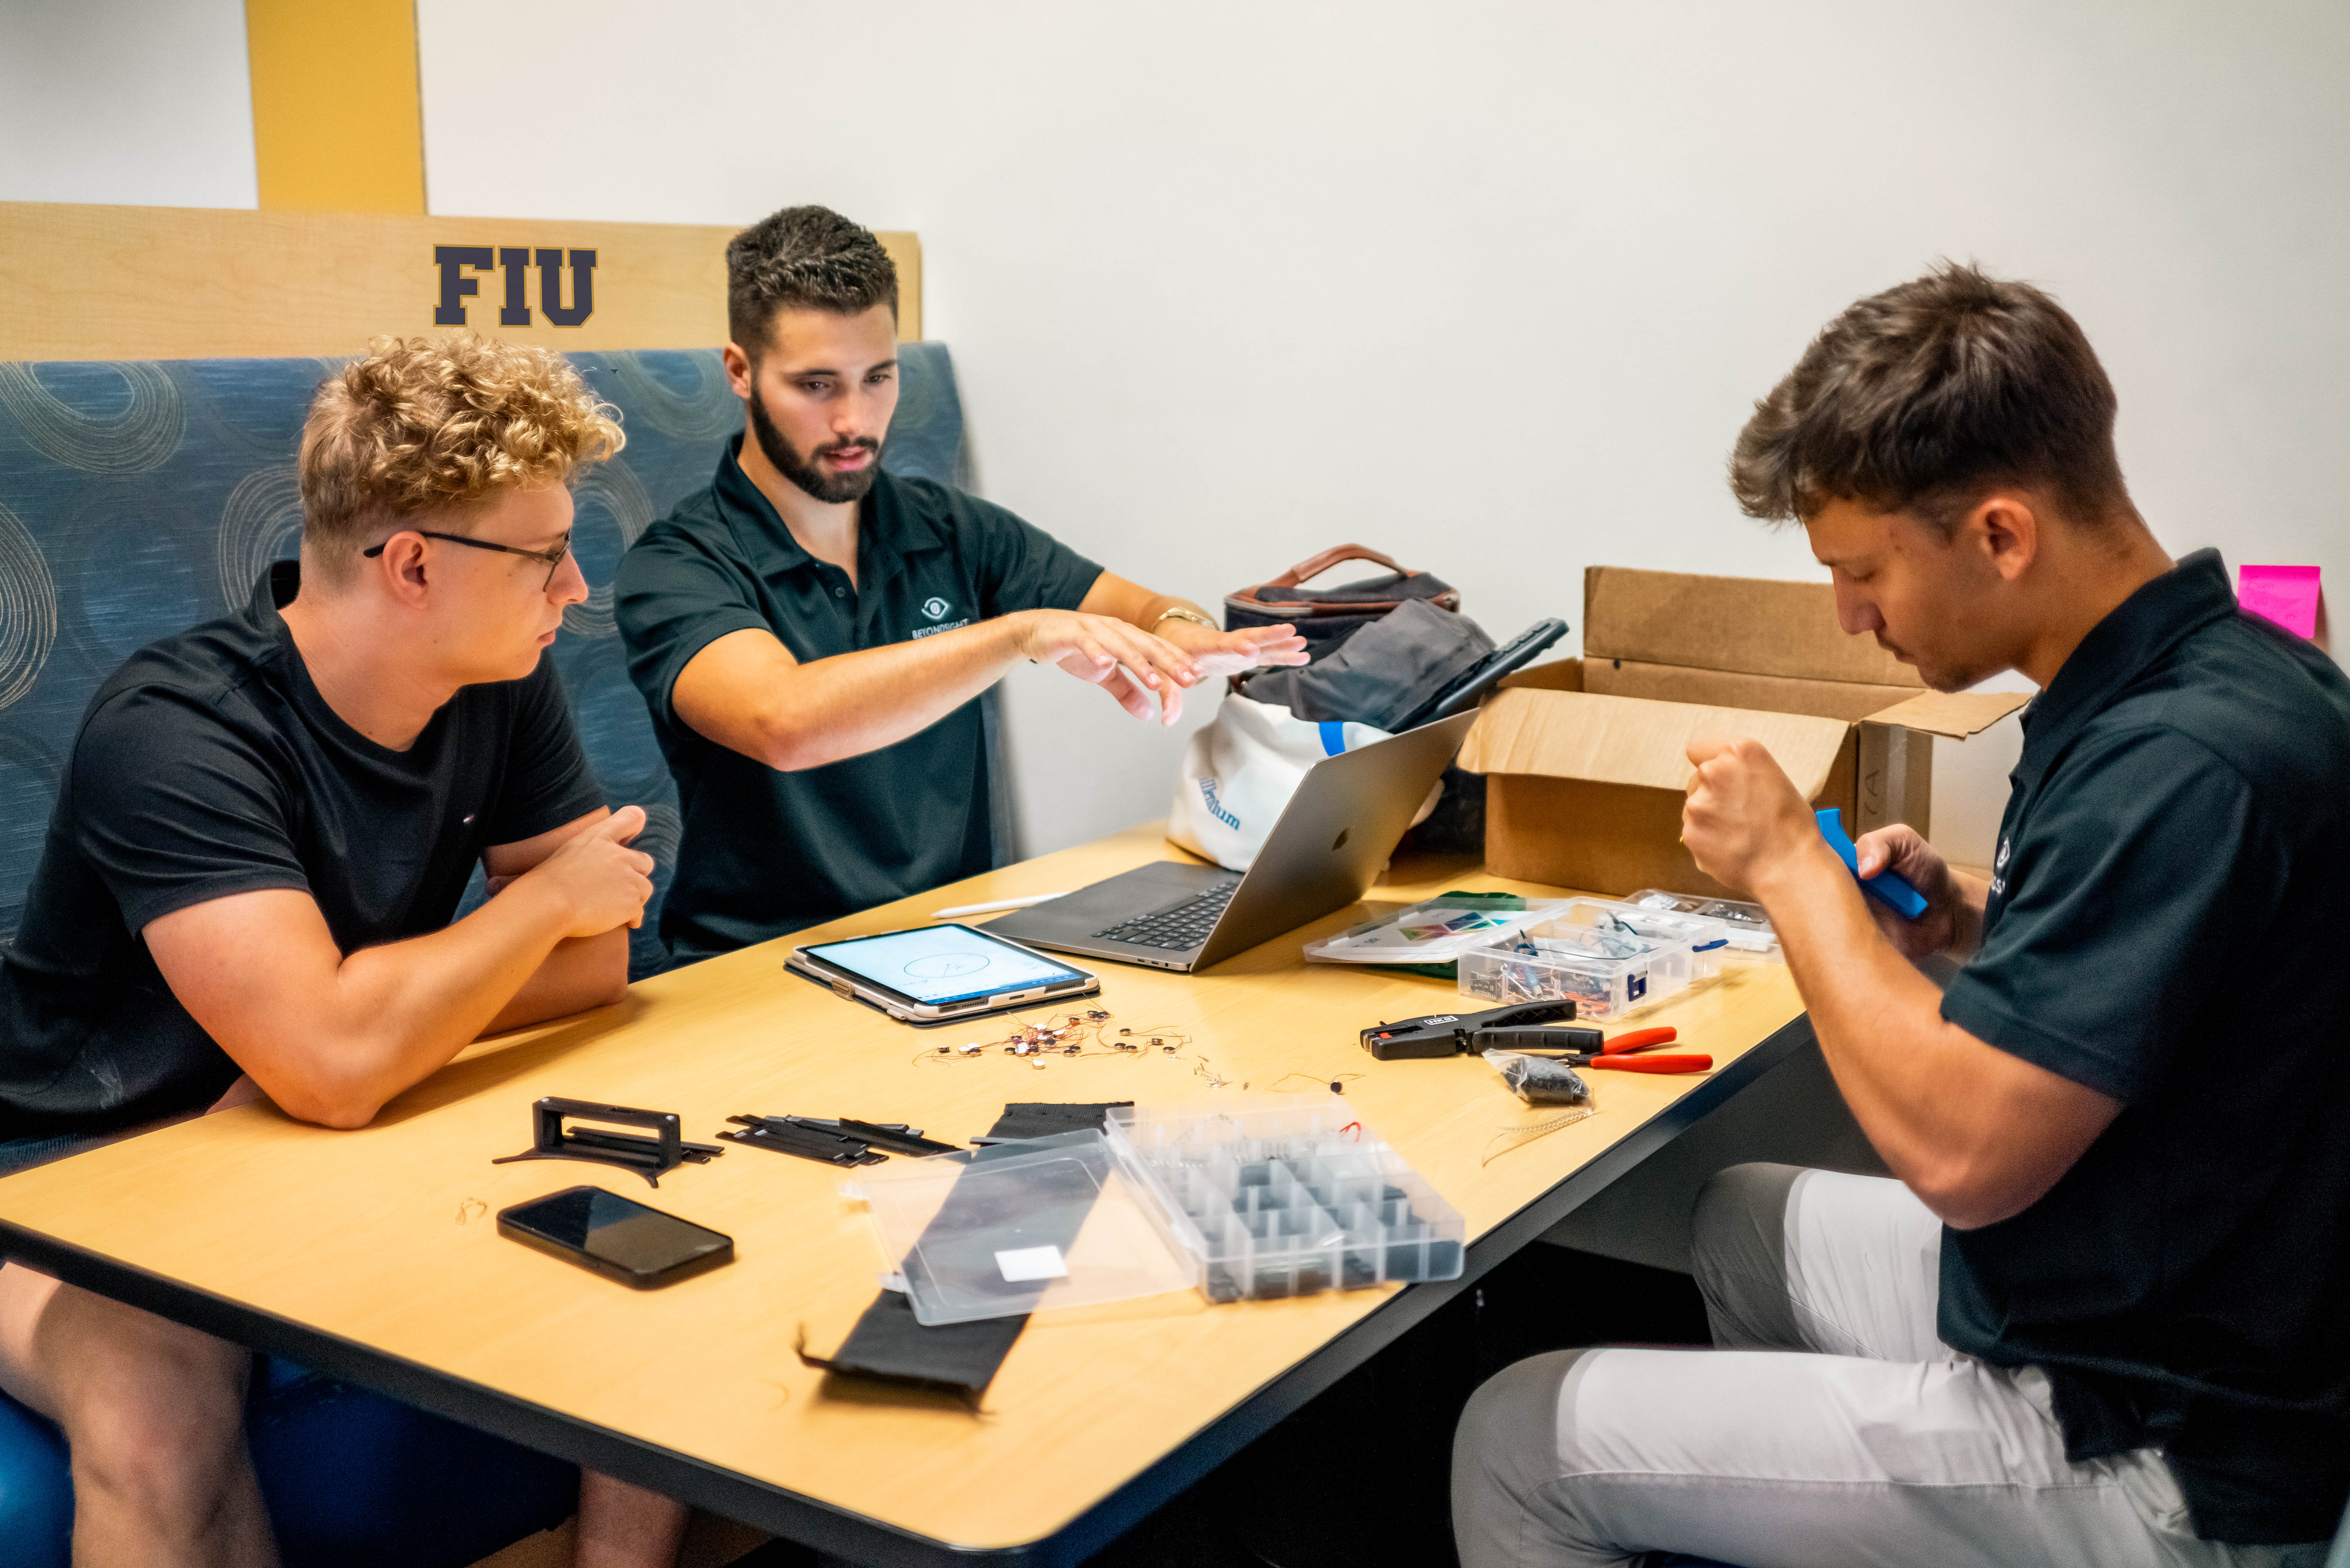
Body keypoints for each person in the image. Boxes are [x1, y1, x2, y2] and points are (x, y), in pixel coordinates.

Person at [1453, 264, 2348, 1566]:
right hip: (2165, 1289)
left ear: (1998, 534)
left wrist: (1789, 870)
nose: (1849, 616)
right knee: (1739, 1221)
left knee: (1514, 1438)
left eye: (1863, 571)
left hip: (2165, 1448)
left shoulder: (2180, 763)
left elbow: (1965, 1160)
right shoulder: (2225, 676)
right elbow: (2181, 961)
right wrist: (1972, 916)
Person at [0, 334, 689, 1568]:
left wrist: (368, 1025)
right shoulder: (174, 731)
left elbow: (596, 967)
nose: (575, 590)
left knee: (656, 1235)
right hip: (63, 1171)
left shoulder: (497, 676)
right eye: (545, 557)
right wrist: (527, 913)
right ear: (414, 564)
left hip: (282, 1126)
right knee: (154, 1416)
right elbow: (348, 1048)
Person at [614, 205, 1308, 964]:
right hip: (756, 969)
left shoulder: (947, 526)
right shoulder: (675, 565)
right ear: (740, 372)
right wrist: (1019, 634)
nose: (855, 419)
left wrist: (1175, 632)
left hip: (954, 947)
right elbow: (784, 722)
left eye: (877, 379)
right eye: (816, 385)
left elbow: (1139, 608)